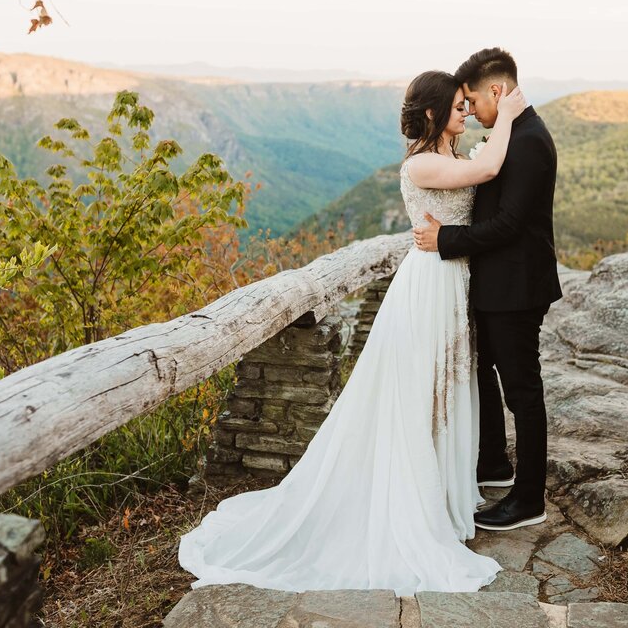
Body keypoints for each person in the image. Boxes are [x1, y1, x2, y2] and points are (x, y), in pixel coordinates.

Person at [176, 69, 528, 594]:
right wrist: (512, 115)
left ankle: (447, 498)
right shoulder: (424, 162)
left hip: (452, 282)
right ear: (432, 114)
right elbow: (491, 165)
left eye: (466, 104)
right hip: (429, 285)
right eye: (457, 106)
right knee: (420, 391)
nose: (464, 112)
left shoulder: (449, 154)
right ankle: (415, 502)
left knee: (448, 387)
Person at [414, 47, 562, 532]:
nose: (472, 111)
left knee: (522, 390)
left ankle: (528, 498)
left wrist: (446, 240)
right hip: (495, 284)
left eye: (474, 101)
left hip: (517, 286)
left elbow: (509, 224)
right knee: (482, 373)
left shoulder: (529, 141)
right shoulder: (512, 134)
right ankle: (494, 463)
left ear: (497, 91)